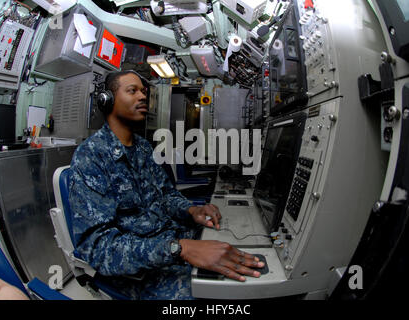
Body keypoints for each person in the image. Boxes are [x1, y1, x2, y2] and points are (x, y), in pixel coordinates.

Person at [69, 70, 264, 300]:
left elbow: (166, 196)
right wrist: (180, 249)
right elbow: (100, 249)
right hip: (140, 272)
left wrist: (191, 210)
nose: (142, 96)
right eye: (132, 91)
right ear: (107, 100)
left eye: (143, 91)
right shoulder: (91, 157)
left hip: (174, 242)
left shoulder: (142, 148)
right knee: (220, 295)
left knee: (238, 251)